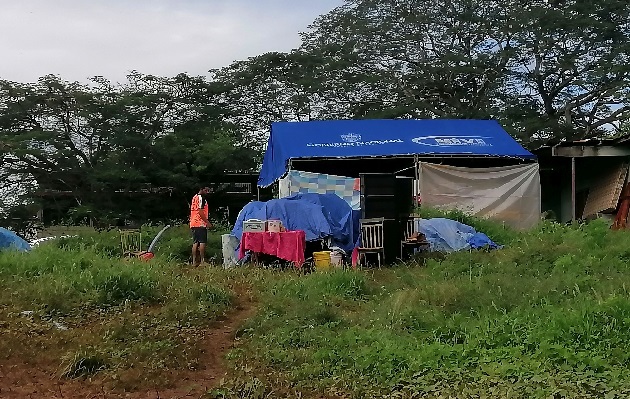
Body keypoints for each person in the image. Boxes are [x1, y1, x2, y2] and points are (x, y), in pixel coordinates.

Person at [189, 187, 212, 266]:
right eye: (206, 190)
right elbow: (200, 211)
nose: (207, 192)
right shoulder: (201, 198)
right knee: (202, 242)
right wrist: (207, 222)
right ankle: (202, 261)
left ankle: (194, 261)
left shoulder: (194, 197)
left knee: (195, 242)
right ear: (201, 189)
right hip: (200, 223)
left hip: (193, 222)